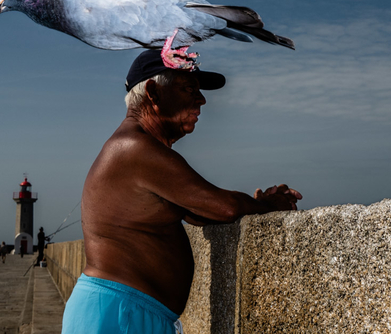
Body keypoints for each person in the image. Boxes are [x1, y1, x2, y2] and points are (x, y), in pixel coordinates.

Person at [61, 50, 301, 334]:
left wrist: (254, 203)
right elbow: (223, 207)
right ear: (153, 92)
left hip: (125, 310)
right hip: (120, 314)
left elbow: (199, 212)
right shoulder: (135, 148)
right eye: (189, 89)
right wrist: (273, 204)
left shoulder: (136, 148)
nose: (201, 100)